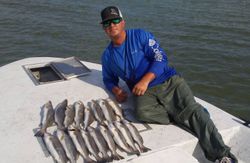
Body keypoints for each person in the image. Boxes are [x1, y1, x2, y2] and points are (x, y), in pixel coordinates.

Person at [100, 6, 237, 163]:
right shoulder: (107, 56)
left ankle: (222, 156)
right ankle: (184, 115)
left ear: (123, 22)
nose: (112, 25)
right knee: (141, 113)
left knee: (194, 113)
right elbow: (108, 79)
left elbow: (160, 58)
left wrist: (145, 80)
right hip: (144, 93)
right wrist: (116, 90)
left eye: (115, 20)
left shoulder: (140, 35)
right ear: (104, 28)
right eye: (107, 23)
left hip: (168, 81)